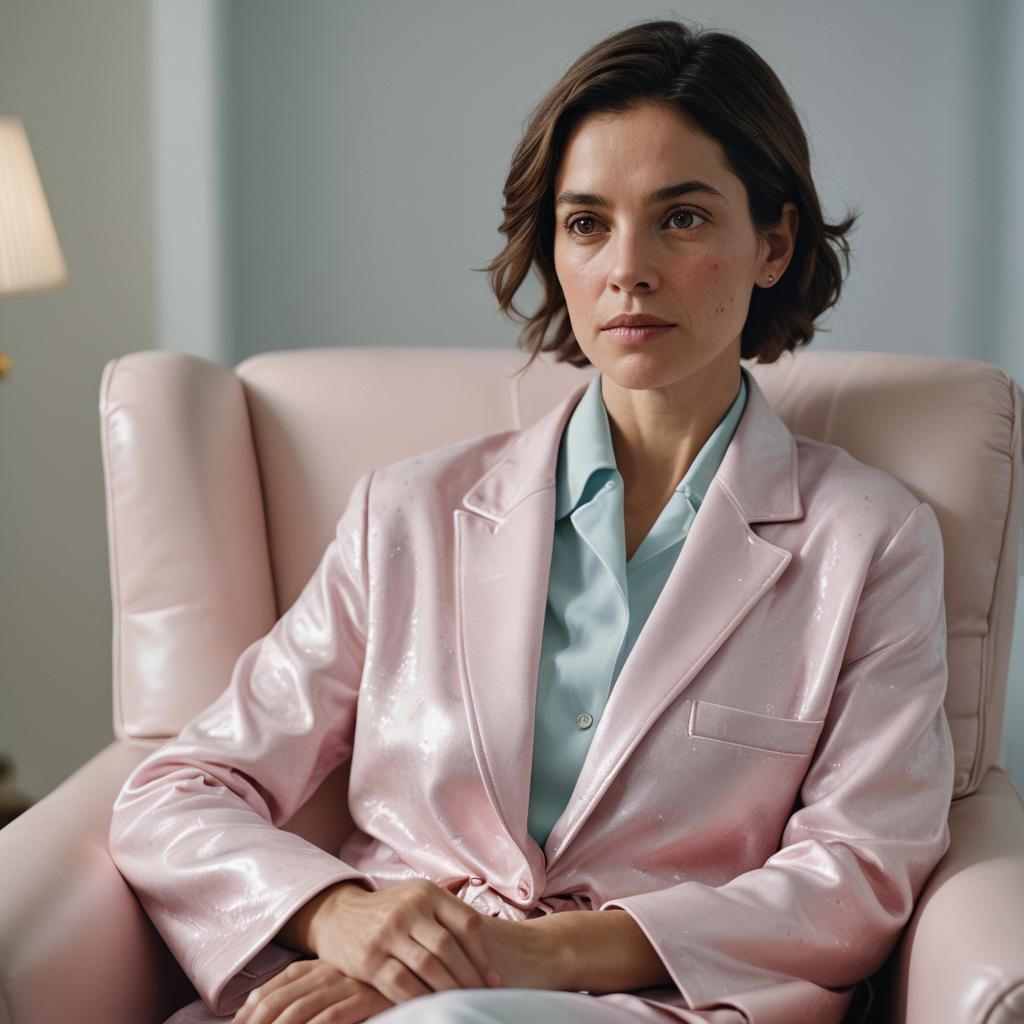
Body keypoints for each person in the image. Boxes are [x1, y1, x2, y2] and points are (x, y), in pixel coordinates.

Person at [108, 18, 955, 1024]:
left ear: (771, 242)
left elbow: (859, 870)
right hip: (361, 992)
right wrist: (338, 914)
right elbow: (178, 789)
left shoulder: (869, 540)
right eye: (587, 223)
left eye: (679, 219)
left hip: (652, 1003)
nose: (626, 269)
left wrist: (517, 960)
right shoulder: (407, 515)